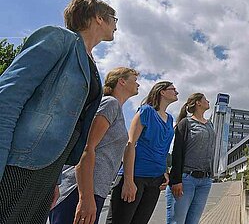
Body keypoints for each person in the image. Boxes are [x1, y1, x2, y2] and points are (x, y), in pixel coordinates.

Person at [0, 0, 117, 224]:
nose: (116, 25)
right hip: (21, 165)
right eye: (114, 18)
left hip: (48, 169)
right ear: (98, 18)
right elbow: (8, 99)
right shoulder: (58, 39)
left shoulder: (91, 64)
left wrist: (54, 180)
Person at [49, 67, 140, 224]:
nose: (138, 84)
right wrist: (86, 198)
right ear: (122, 81)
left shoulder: (116, 108)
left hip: (94, 190)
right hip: (78, 190)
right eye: (135, 79)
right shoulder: (110, 103)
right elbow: (87, 147)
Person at [107, 81, 178, 224]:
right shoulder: (146, 111)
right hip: (136, 176)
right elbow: (130, 144)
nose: (177, 92)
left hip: (155, 180)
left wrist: (164, 171)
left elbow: (163, 149)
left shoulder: (170, 119)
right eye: (173, 89)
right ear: (162, 92)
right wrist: (128, 180)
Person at [169, 93, 216, 224]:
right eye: (205, 99)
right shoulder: (186, 123)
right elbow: (177, 151)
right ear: (198, 103)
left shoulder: (210, 124)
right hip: (186, 179)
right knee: (178, 221)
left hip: (205, 180)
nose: (208, 101)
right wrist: (176, 180)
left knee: (193, 221)